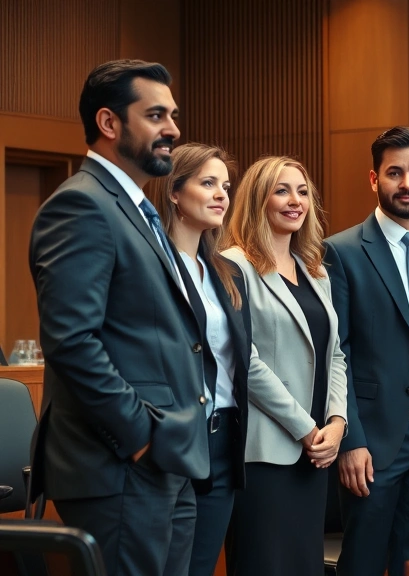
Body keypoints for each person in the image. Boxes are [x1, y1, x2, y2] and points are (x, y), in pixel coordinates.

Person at [28, 59, 207, 576]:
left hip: (164, 462)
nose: (173, 129)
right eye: (156, 115)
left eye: (172, 114)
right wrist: (141, 439)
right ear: (110, 124)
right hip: (121, 468)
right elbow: (72, 343)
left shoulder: (135, 208)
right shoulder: (81, 207)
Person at [323, 126, 409, 576]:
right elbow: (334, 352)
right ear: (373, 179)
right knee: (362, 560)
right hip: (376, 438)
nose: (407, 183)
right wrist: (352, 440)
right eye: (395, 173)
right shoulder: (340, 252)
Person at [222, 156, 348, 576]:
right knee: (266, 565)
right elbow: (246, 361)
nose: (295, 201)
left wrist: (337, 421)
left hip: (314, 454)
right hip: (265, 452)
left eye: (302, 191)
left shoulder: (316, 270)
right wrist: (306, 427)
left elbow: (336, 354)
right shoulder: (233, 265)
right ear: (258, 198)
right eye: (281, 190)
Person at [153, 143, 252, 576]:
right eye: (207, 183)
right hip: (174, 437)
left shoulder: (224, 271)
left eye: (225, 186)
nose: (221, 195)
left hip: (222, 439)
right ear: (174, 192)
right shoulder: (155, 266)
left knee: (203, 566)